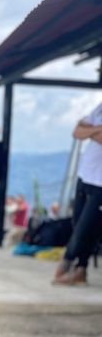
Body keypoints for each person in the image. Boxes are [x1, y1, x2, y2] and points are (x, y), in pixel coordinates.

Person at [53, 102, 102, 286]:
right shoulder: (100, 107)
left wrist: (89, 130)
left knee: (87, 227)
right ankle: (80, 270)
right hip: (85, 175)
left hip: (100, 182)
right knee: (77, 222)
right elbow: (76, 132)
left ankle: (69, 262)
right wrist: (95, 130)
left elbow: (85, 132)